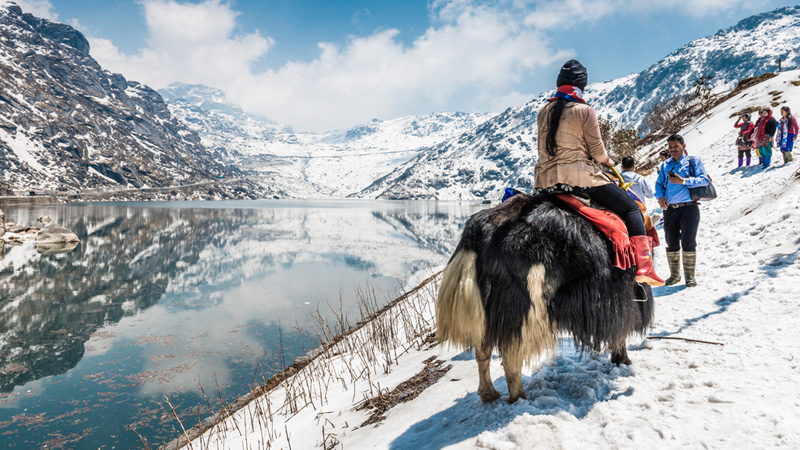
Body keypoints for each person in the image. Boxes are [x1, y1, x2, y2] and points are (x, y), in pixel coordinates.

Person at [535, 59, 664, 286]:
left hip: (545, 182)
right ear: (581, 85)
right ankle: (644, 267)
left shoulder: (544, 110)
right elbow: (597, 152)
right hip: (580, 179)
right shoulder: (584, 110)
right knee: (631, 208)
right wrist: (609, 161)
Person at [655, 134, 710, 287]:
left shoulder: (693, 161)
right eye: (670, 147)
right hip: (670, 209)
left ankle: (690, 277)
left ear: (683, 146)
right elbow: (659, 184)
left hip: (689, 207)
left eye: (675, 146)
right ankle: (674, 275)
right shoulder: (666, 165)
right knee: (671, 241)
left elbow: (703, 180)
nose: (672, 149)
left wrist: (683, 181)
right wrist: (660, 197)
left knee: (688, 241)